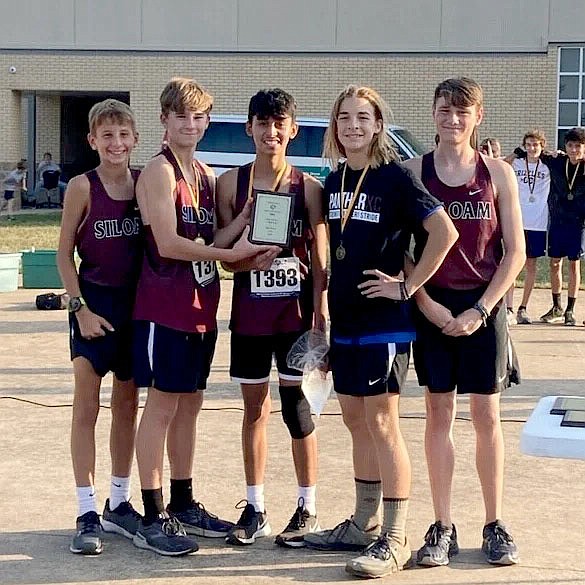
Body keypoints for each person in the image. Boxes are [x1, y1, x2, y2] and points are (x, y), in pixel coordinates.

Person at [303, 85, 457, 579]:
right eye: (344, 117)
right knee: (355, 422)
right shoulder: (335, 181)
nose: (352, 126)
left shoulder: (395, 178)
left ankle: (395, 535)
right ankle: (364, 522)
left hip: (384, 327)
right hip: (345, 322)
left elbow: (445, 232)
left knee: (385, 424)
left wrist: (409, 286)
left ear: (378, 125)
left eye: (363, 118)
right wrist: (321, 316)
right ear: (334, 126)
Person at [131, 77, 278, 556]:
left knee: (190, 407)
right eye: (181, 117)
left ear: (208, 122)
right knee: (162, 406)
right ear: (164, 121)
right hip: (164, 308)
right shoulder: (158, 171)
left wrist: (244, 225)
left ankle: (183, 501)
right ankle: (152, 515)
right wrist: (226, 250)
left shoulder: (204, 173)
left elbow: (214, 235)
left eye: (198, 117)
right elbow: (170, 243)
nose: (190, 124)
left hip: (201, 309)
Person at [403, 77, 525, 567]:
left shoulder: (497, 173)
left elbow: (514, 252)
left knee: (487, 416)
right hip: (433, 303)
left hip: (483, 306)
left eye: (462, 111)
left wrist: (482, 310)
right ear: (432, 113)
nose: (453, 120)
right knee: (437, 415)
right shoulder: (413, 171)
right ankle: (442, 524)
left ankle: (494, 523)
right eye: (445, 110)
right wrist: (427, 304)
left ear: (479, 116)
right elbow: (406, 250)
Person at [216, 89, 328, 548]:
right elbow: (223, 257)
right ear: (249, 128)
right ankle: (256, 505)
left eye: (279, 123)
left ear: (292, 130)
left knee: (297, 410)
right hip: (250, 316)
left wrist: (322, 311)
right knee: (254, 410)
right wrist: (248, 260)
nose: (271, 131)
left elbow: (321, 260)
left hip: (295, 315)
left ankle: (308, 506)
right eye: (262, 123)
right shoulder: (230, 185)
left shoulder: (310, 187)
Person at [56, 99, 143, 555]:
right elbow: (62, 254)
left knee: (126, 405)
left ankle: (120, 500)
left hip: (135, 309)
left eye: (123, 135)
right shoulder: (81, 188)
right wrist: (79, 308)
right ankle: (86, 508)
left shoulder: (145, 183)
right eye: (106, 135)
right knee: (86, 404)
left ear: (135, 139)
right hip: (93, 305)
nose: (115, 143)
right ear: (92, 140)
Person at [529, 127, 585, 326]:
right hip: (558, 220)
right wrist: (519, 152)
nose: (573, 150)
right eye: (570, 145)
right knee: (554, 263)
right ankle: (557, 306)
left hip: (578, 223)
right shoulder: (557, 162)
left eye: (578, 146)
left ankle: (571, 309)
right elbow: (534, 151)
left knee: (573, 264)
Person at [503, 130, 551, 324]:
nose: (532, 148)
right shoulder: (517, 163)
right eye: (529, 144)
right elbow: (501, 166)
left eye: (536, 145)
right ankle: (509, 307)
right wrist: (515, 153)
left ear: (542, 146)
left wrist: (556, 154)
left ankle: (523, 307)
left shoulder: (548, 165)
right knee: (511, 264)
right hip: (517, 220)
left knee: (531, 265)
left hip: (538, 222)